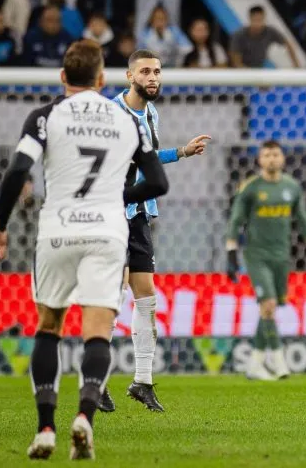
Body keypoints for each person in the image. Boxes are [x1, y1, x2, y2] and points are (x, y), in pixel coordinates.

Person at [0, 40, 169, 460]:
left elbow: (17, 172)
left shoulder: (45, 116)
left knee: (49, 327)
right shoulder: (128, 121)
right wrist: (120, 195)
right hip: (107, 231)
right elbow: (157, 183)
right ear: (103, 80)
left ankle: (46, 427)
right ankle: (85, 416)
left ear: (63, 77)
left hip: (58, 230)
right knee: (98, 330)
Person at [99, 49, 211, 413]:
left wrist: (181, 152)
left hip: (139, 215)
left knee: (147, 298)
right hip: (113, 212)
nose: (153, 77)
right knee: (112, 296)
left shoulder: (151, 112)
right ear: (129, 75)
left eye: (157, 72)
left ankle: (142, 381)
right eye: (145, 71)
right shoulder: (113, 113)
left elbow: (149, 156)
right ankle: (96, 380)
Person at [226, 140, 306, 381]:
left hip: (282, 256)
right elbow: (235, 221)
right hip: (256, 255)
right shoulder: (250, 188)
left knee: (268, 309)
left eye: (275, 155)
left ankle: (256, 363)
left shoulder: (291, 187)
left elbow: (302, 218)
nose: (271, 159)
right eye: (267, 155)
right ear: (260, 159)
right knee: (268, 305)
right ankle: (279, 361)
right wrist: (231, 253)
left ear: (282, 158)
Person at [229, 5, 300, 68]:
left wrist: (296, 64)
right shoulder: (239, 35)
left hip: (259, 68)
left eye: (260, 20)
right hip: (241, 71)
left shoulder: (270, 31)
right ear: (249, 19)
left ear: (264, 18)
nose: (257, 24)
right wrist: (251, 76)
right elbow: (236, 62)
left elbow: (288, 44)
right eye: (255, 20)